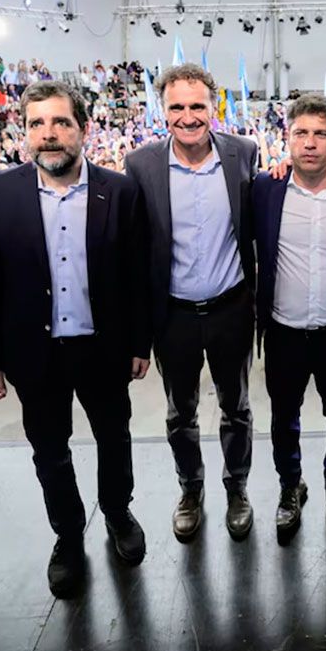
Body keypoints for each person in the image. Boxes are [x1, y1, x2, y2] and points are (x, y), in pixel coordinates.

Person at [0, 80, 151, 598]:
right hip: (35, 353)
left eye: (60, 122)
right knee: (50, 452)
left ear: (83, 129)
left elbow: (136, 275)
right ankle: (68, 536)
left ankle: (117, 512)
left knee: (114, 439)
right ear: (25, 132)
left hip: (103, 349)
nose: (48, 134)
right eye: (37, 123)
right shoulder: (3, 190)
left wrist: (139, 343)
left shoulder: (119, 190)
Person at [124, 64, 259, 544]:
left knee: (236, 408)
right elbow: (135, 251)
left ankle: (237, 488)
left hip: (231, 309)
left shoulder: (244, 153)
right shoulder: (141, 165)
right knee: (180, 413)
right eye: (176, 107)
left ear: (213, 107)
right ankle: (190, 489)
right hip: (174, 316)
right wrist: (138, 334)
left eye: (197, 105)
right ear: (163, 111)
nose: (187, 116)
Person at [251, 94, 326, 546]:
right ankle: (291, 485)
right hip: (283, 331)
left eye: (321, 133)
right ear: (287, 138)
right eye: (300, 133)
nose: (309, 143)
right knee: (284, 417)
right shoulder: (265, 189)